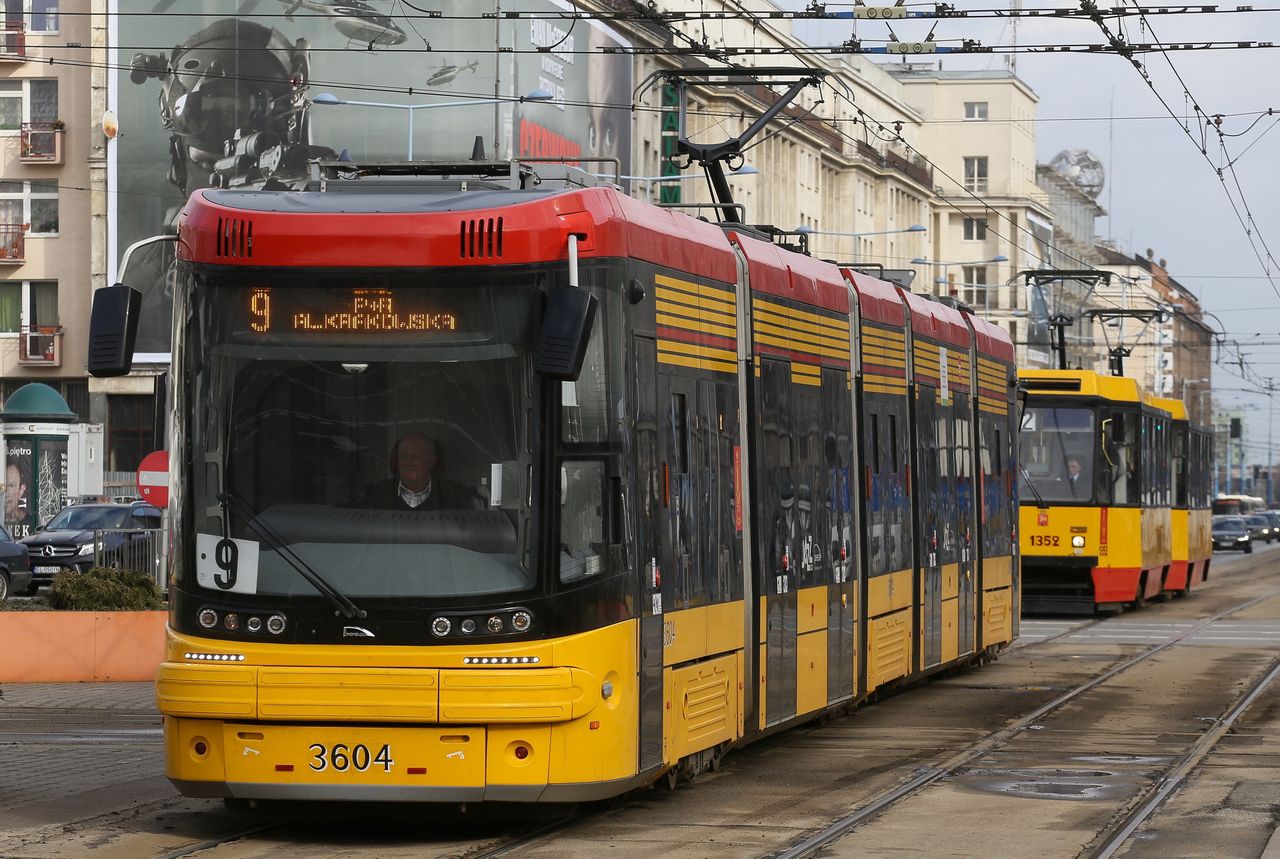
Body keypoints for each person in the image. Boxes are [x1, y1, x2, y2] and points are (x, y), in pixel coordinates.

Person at [361, 432, 477, 511]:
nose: (407, 463)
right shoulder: (375, 494)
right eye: (403, 456)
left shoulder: (457, 495)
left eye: (415, 457)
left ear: (431, 462)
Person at [4, 456, 30, 530]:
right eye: (4, 486)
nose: (7, 492)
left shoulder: (30, 522)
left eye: (11, 486)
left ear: (21, 490)